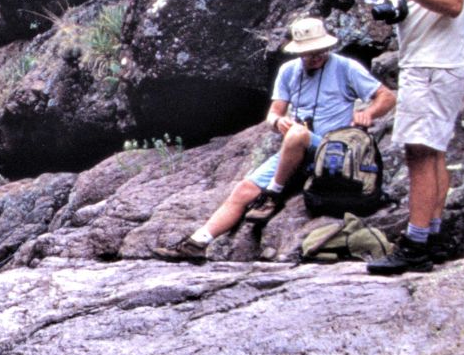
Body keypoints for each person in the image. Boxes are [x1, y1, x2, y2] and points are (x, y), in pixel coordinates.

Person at [155, 16, 393, 261]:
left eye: (321, 50)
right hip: (296, 150)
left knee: (298, 133)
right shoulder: (288, 72)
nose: (317, 55)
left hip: (333, 151)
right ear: (300, 52)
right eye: (310, 52)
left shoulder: (345, 67)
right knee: (244, 189)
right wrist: (278, 122)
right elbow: (274, 114)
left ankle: (273, 194)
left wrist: (367, 113)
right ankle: (197, 243)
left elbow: (386, 97)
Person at [363, 0, 464, 274]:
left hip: (433, 64)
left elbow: (452, 2)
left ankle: (415, 243)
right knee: (433, 151)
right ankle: (433, 233)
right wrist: (398, 7)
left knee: (419, 153)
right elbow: (431, 0)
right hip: (431, 58)